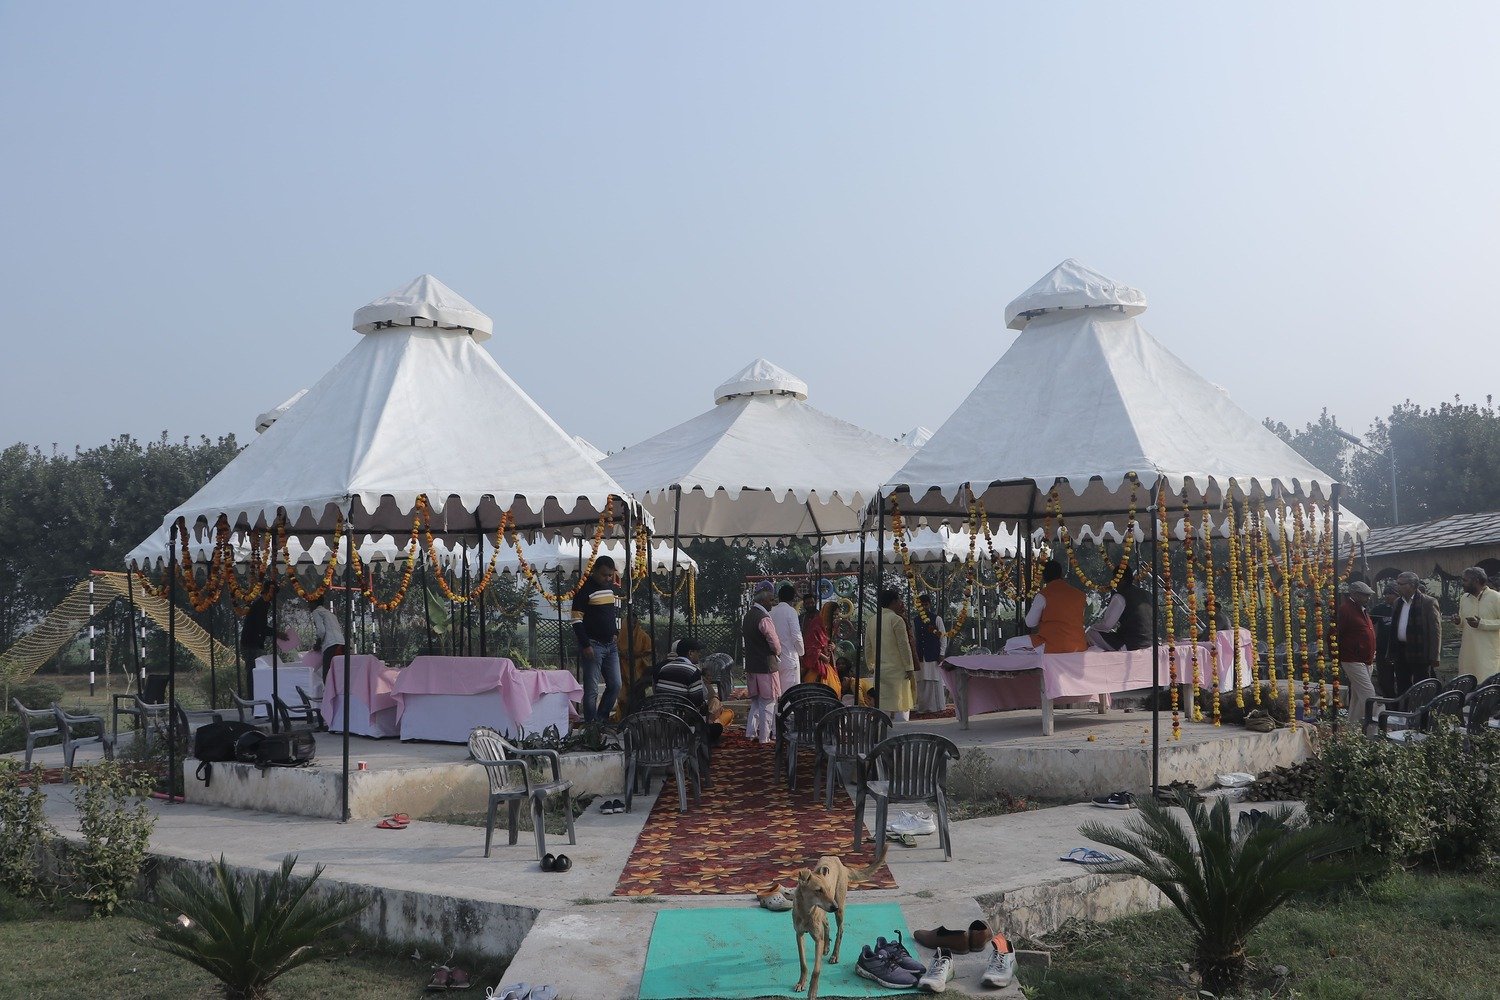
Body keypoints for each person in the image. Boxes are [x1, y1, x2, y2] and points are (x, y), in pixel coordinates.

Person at [570, 555, 622, 725]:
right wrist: (585, 644)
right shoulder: (584, 590)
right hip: (593, 645)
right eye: (604, 575)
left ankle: (601, 720)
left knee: (615, 685)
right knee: (591, 689)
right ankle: (591, 725)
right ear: (594, 571)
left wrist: (615, 632)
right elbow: (576, 620)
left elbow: (611, 613)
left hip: (611, 645)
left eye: (610, 575)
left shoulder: (609, 589)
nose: (607, 578)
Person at [653, 637, 729, 743]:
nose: (699, 655)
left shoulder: (664, 668)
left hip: (663, 721)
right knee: (717, 728)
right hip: (683, 724)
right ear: (690, 653)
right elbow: (697, 703)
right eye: (698, 652)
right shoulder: (693, 671)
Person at [1005, 561, 1087, 654]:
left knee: (1010, 644)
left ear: (1044, 577)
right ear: (1061, 575)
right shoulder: (1080, 595)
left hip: (1052, 644)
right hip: (1079, 645)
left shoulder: (1043, 595)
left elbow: (1030, 623)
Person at [1385, 571, 1441, 694]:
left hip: (1419, 650)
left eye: (1401, 584)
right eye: (1397, 583)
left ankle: (1422, 707)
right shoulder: (1397, 602)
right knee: (1402, 685)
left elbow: (1435, 631)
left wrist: (1435, 656)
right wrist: (1390, 652)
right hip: (1400, 650)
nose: (1398, 586)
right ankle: (1405, 706)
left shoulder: (1428, 602)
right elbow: (1393, 629)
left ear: (1412, 585)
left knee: (1421, 686)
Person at [865, 587, 916, 721]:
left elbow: (868, 647)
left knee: (882, 705)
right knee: (900, 705)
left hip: (879, 671)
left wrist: (870, 665)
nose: (900, 603)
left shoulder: (872, 620)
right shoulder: (896, 619)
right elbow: (903, 646)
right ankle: (899, 731)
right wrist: (909, 667)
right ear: (893, 602)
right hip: (898, 670)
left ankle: (884, 731)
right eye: (898, 600)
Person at [742, 581, 783, 744]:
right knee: (768, 702)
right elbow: (774, 642)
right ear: (764, 600)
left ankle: (751, 733)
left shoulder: (748, 616)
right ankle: (764, 738)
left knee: (756, 702)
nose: (772, 603)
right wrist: (778, 652)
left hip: (752, 665)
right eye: (771, 599)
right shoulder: (764, 618)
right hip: (766, 666)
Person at [1335, 580, 1378, 729]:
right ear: (1354, 594)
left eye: (1369, 595)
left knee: (1357, 697)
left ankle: (1352, 729)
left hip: (1366, 659)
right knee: (1369, 695)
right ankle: (1373, 731)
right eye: (1365, 595)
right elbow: (1334, 634)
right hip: (1352, 658)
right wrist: (1336, 655)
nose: (1368, 598)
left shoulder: (1361, 609)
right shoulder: (1345, 610)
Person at [1086, 564, 1154, 651]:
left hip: (1130, 645)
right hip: (1150, 644)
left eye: (1114, 579)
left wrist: (1093, 627)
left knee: (1091, 633)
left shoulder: (1120, 596)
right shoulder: (1147, 594)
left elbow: (1107, 625)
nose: (1113, 583)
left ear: (1120, 579)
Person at [1456, 567, 1500, 679]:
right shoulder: (1464, 598)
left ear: (1476, 581)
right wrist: (1458, 621)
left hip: (1488, 655)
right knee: (1468, 683)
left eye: (1465, 580)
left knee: (1486, 685)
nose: (1462, 583)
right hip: (1468, 655)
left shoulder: (1496, 597)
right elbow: (1462, 625)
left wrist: (1482, 624)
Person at [913, 592, 947, 713]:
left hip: (933, 655)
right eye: (921, 605)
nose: (924, 607)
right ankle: (923, 707)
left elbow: (943, 637)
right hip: (920, 656)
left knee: (934, 680)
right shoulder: (915, 620)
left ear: (929, 604)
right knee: (921, 681)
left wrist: (942, 653)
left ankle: (937, 707)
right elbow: (914, 638)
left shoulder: (937, 619)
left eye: (926, 604)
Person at [772, 583, 805, 696]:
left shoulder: (771, 612)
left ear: (779, 597)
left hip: (774, 660)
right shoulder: (791, 612)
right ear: (793, 598)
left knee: (777, 694)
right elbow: (796, 636)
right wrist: (801, 652)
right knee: (791, 695)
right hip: (790, 659)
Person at [308, 593, 346, 678]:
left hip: (331, 645)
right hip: (341, 644)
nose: (308, 606)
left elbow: (321, 631)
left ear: (314, 603)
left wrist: (317, 644)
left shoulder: (316, 612)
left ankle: (328, 687)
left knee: (327, 675)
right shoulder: (330, 614)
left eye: (309, 603)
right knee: (339, 673)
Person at [1369, 583, 1397, 695]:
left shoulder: (1403, 608)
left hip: (1400, 650)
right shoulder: (1379, 609)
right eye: (1385, 594)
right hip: (1383, 650)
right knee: (1385, 679)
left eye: (1390, 593)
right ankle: (1389, 702)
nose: (1387, 596)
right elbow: (1368, 623)